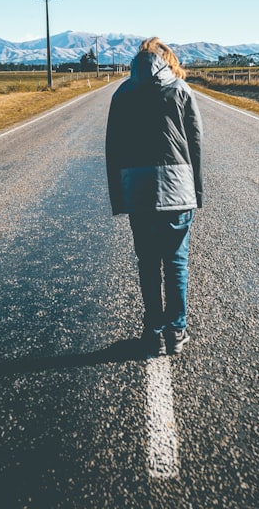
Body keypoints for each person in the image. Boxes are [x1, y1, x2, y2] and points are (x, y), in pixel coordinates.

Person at [106, 37, 203, 356]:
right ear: (167, 61)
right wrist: (196, 192)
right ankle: (176, 332)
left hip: (139, 190)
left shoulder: (122, 93)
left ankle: (153, 332)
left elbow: (114, 149)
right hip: (177, 189)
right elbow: (195, 143)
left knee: (148, 262)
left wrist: (120, 197)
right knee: (176, 262)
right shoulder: (180, 90)